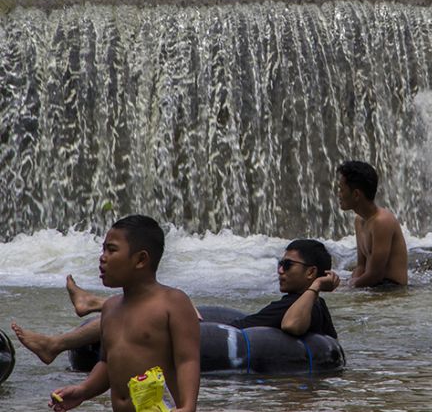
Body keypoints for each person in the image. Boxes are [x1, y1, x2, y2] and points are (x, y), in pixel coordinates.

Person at [12, 239, 339, 367]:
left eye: (287, 265)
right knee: (152, 303)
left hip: (218, 335)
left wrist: (317, 288)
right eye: (279, 263)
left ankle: (62, 336)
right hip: (222, 330)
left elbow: (292, 326)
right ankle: (90, 308)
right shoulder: (296, 299)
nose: (279, 270)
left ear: (311, 272)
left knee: (147, 308)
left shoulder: (309, 304)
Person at [46, 215, 200, 412]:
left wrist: (188, 406)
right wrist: (83, 390)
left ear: (140, 260)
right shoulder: (110, 308)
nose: (102, 257)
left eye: (111, 250)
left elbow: (188, 360)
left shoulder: (173, 302)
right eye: (103, 249)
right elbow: (108, 363)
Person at [336, 160, 408, 287]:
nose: (339, 195)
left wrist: (351, 286)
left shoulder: (382, 221)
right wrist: (351, 283)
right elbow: (361, 265)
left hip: (392, 289)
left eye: (341, 190)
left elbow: (376, 274)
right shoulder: (359, 220)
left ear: (356, 194)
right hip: (374, 286)